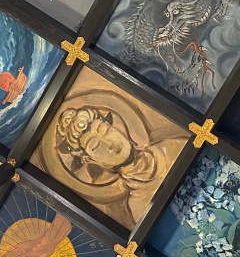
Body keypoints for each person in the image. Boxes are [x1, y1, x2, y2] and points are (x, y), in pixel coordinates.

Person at [31, 85, 189, 228]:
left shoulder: (175, 147)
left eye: (105, 130)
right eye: (95, 146)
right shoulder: (138, 206)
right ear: (92, 160)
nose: (110, 145)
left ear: (116, 127)